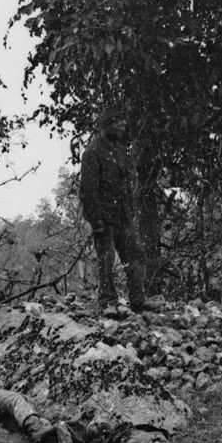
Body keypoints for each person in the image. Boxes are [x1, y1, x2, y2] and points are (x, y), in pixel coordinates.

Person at [79, 110, 146, 317]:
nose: (122, 128)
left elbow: (127, 183)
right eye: (117, 124)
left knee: (135, 255)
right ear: (106, 126)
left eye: (123, 125)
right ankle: (108, 302)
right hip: (105, 218)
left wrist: (131, 210)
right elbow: (88, 190)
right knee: (106, 261)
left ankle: (138, 302)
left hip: (124, 215)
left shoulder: (119, 149)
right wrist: (95, 220)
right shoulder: (92, 152)